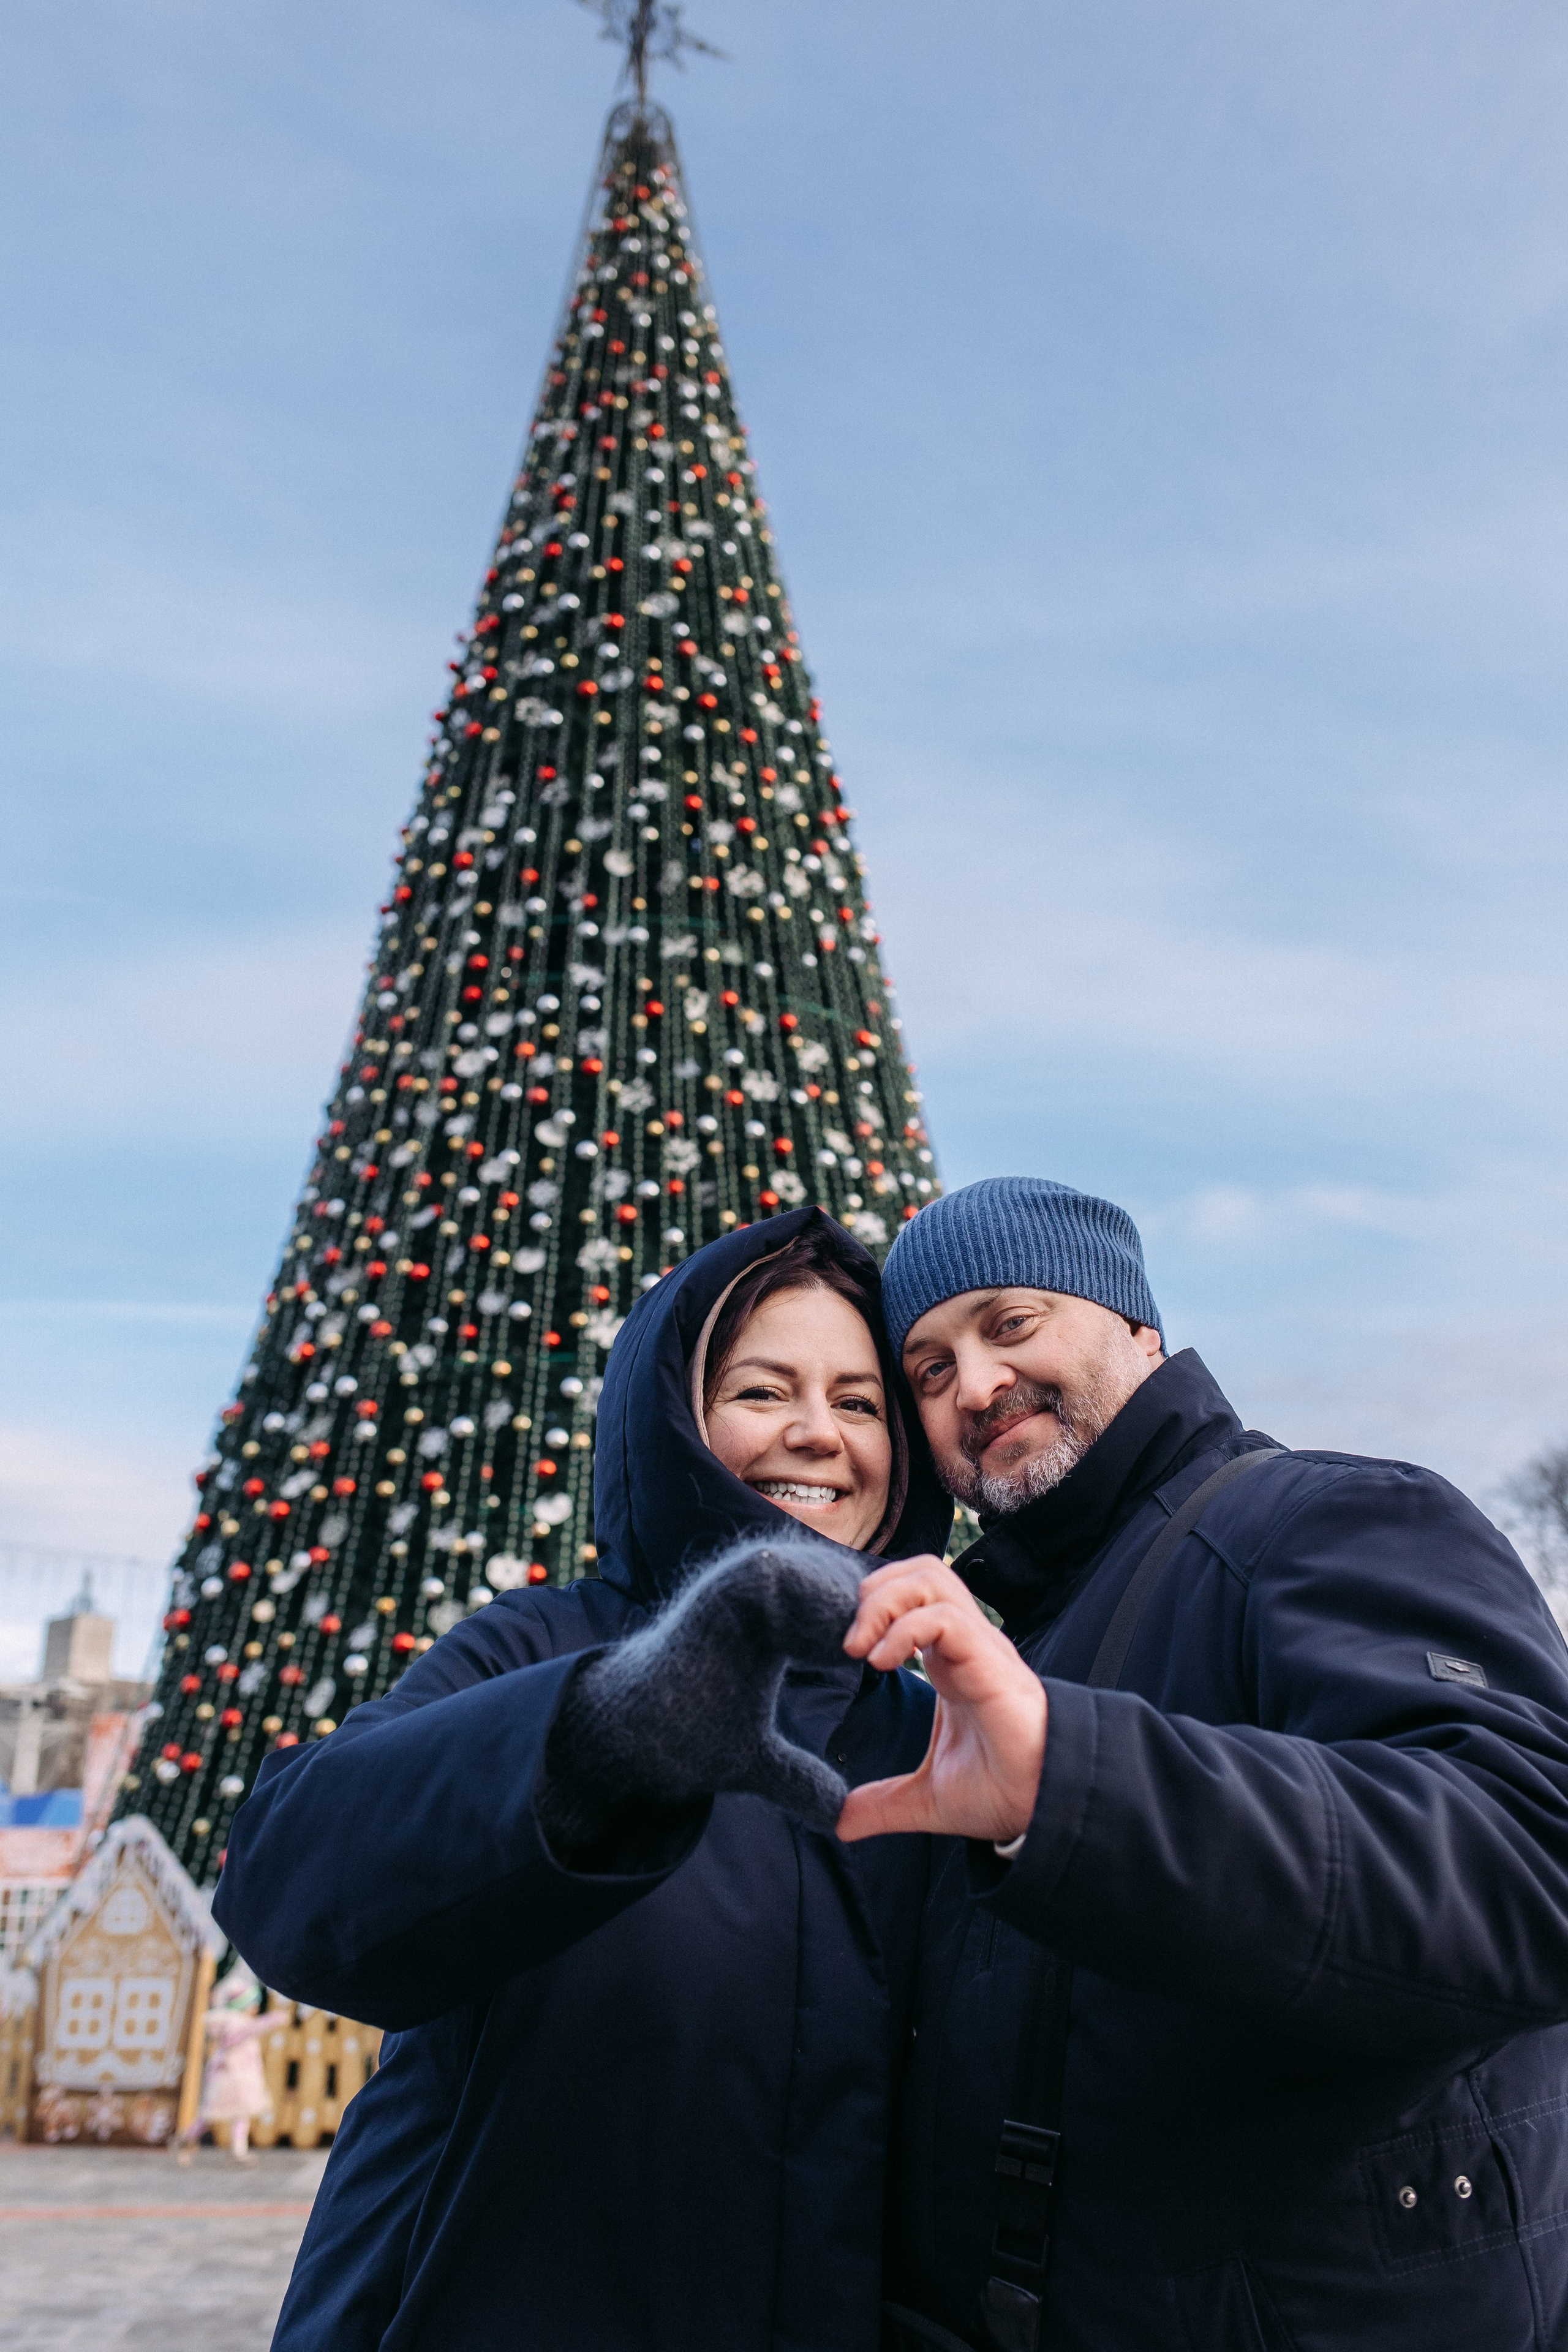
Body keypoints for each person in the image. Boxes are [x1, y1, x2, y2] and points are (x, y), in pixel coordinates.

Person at [832, 1175, 1568, 2352]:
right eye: (928, 1369)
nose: (975, 1385)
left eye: (1011, 1324)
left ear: (1137, 1326)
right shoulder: (996, 1648)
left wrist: (1072, 1784)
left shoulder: (1321, 1519)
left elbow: (1531, 1862)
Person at [213, 1206, 951, 2350]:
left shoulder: (931, 1729)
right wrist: (607, 1732)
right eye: (762, 1392)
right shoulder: (545, 1647)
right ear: (674, 1420)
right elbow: (287, 1881)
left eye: (859, 1404)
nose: (818, 1434)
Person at [176, 1961, 273, 2165]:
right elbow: (235, 2038)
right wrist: (267, 2022)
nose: (256, 2008)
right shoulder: (232, 2022)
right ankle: (187, 2138)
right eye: (253, 2003)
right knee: (211, 2115)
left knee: (242, 2113)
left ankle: (239, 2149)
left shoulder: (240, 2022)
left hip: (242, 2076)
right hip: (228, 2076)